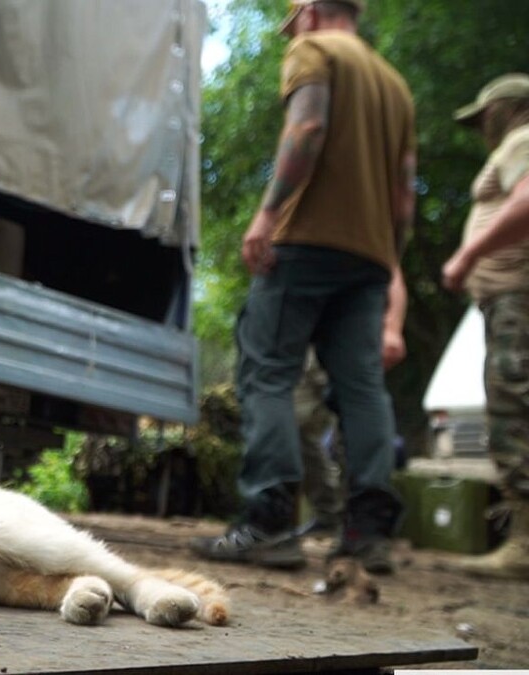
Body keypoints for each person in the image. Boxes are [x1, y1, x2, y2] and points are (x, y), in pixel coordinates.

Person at [189, 0, 416, 574]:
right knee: (362, 388)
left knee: (267, 372)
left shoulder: (312, 51)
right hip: (370, 256)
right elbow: (404, 195)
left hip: (306, 244)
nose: (292, 33)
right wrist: (390, 257)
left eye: (292, 23)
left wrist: (268, 215)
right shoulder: (395, 84)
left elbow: (308, 125)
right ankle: (368, 535)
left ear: (311, 12)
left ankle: (268, 521)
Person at [440, 73, 529, 580]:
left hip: (518, 296)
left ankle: (525, 544)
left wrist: (469, 253)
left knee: (513, 405)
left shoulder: (523, 138)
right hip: (506, 299)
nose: (481, 129)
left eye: (483, 117)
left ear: (506, 109)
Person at [296, 268, 407, 537]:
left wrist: (392, 328)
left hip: (354, 333)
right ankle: (328, 512)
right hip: (304, 335)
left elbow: (390, 270)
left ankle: (364, 523)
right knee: (294, 422)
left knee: (355, 432)